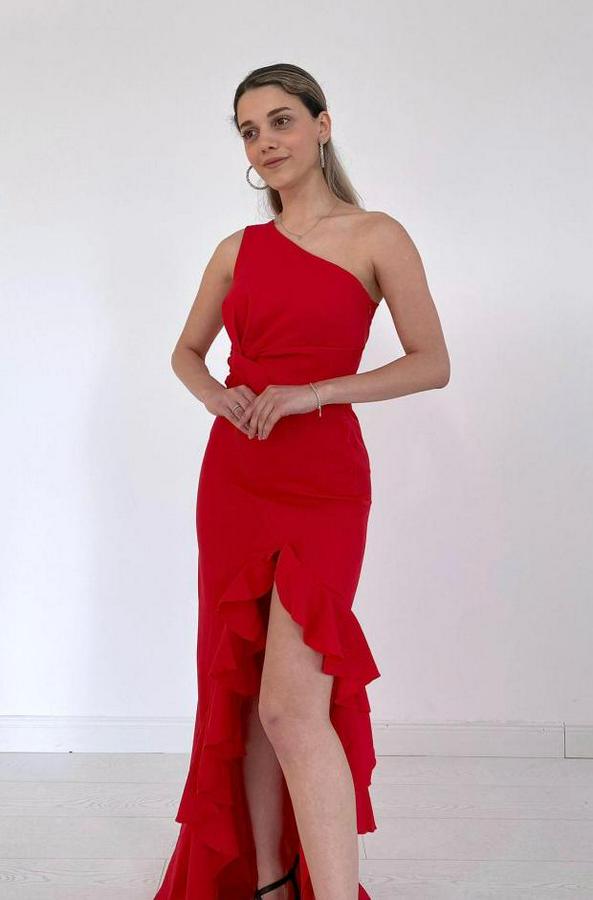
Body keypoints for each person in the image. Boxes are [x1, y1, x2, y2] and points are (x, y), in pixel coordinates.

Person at [155, 62, 450, 900]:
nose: (265, 142)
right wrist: (217, 396)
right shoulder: (235, 250)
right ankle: (270, 883)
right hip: (236, 478)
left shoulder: (376, 236)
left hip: (324, 480)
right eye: (249, 130)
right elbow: (185, 352)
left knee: (291, 704)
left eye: (281, 121)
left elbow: (431, 362)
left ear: (322, 125)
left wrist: (312, 392)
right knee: (249, 693)